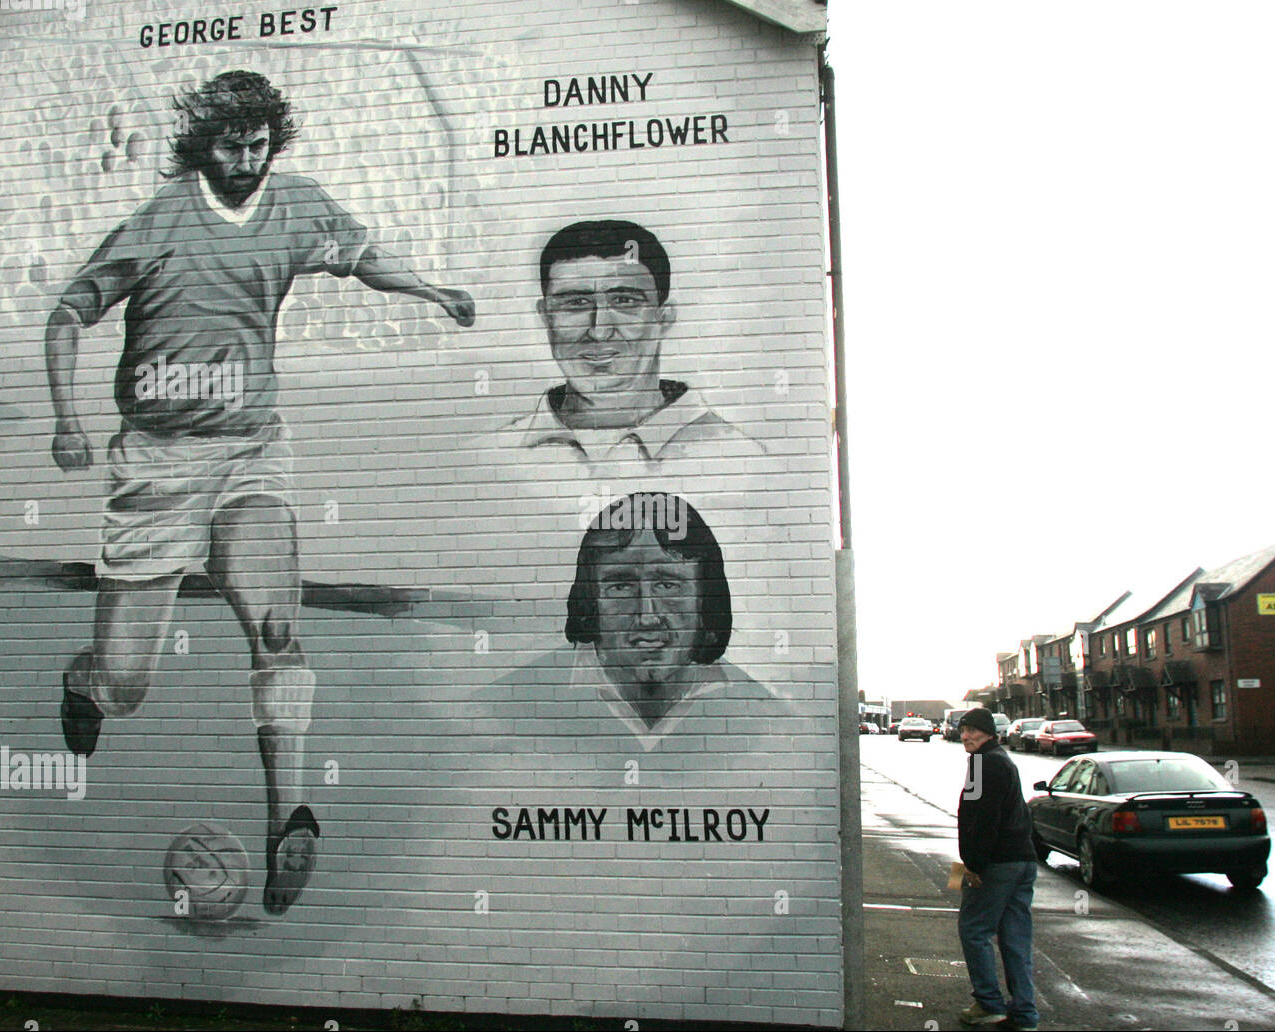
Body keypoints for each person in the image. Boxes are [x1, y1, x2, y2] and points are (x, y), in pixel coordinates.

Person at [45, 70, 475, 915]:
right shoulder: (162, 221)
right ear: (200, 147)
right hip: (158, 464)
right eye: (231, 145)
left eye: (259, 145)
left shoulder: (299, 204)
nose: (247, 159)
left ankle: (288, 817)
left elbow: (364, 258)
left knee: (278, 624)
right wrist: (68, 418)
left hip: (250, 451)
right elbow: (68, 312)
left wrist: (430, 288)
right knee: (127, 686)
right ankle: (88, 681)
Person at [480, 492, 778, 751]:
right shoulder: (497, 711)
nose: (647, 615)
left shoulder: (767, 720)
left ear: (706, 598)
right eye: (621, 586)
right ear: (590, 600)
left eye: (667, 585)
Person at [497, 220, 763, 470]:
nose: (599, 330)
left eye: (624, 301)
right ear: (546, 316)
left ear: (664, 318)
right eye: (576, 303)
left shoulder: (738, 459)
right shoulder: (494, 457)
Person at [955, 707, 1040, 1030]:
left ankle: (989, 1004)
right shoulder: (1003, 760)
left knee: (973, 929)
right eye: (963, 730)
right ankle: (1025, 1014)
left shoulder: (980, 764)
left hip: (995, 864)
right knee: (1015, 937)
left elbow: (980, 818)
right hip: (1023, 860)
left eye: (973, 731)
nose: (966, 737)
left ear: (989, 733)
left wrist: (974, 864)